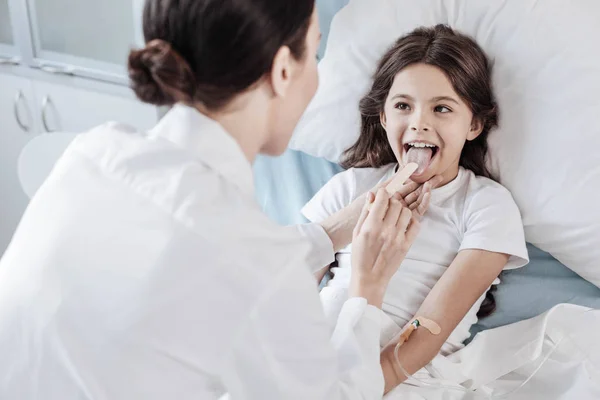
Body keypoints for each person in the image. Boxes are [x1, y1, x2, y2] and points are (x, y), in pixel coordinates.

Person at [0, 1, 433, 399]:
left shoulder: (94, 153)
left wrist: (338, 229)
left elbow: (215, 264)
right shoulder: (249, 259)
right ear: (283, 70)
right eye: (314, 55)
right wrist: (368, 288)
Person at [302, 25, 529, 394]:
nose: (420, 122)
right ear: (384, 117)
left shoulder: (486, 206)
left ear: (473, 124)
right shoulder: (351, 187)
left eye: (441, 108)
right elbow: (285, 291)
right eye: (404, 106)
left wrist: (363, 386)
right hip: (313, 354)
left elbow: (423, 338)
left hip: (398, 375)